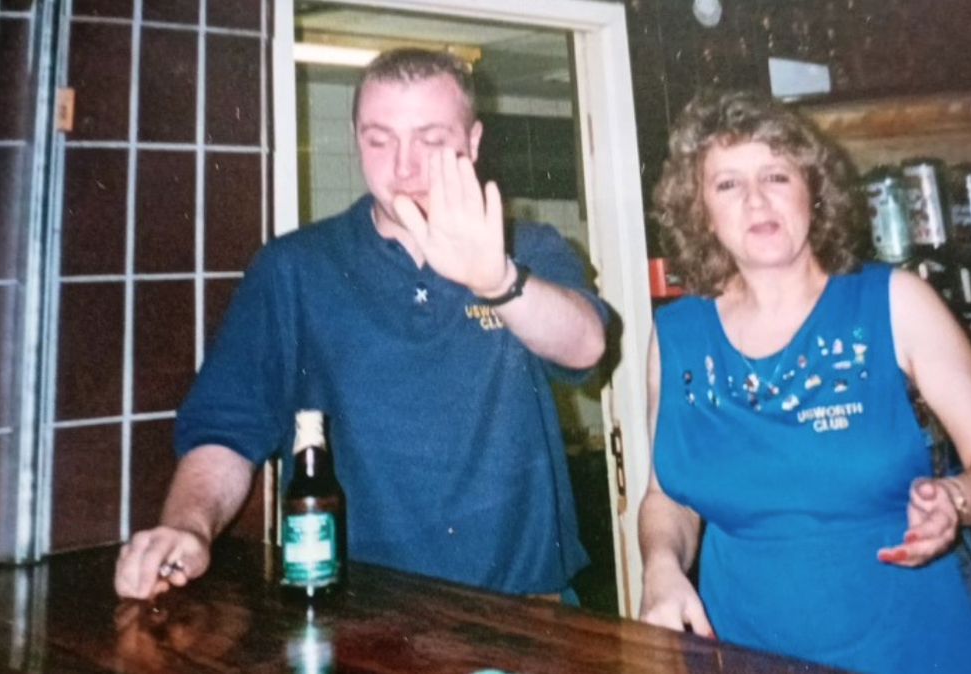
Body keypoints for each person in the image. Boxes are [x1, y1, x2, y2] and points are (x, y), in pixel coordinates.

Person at [114, 48, 607, 601]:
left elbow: (586, 344)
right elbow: (226, 432)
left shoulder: (528, 248)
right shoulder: (294, 269)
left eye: (431, 139)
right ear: (355, 139)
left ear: (472, 142)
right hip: (361, 614)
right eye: (379, 139)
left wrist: (498, 280)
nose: (403, 167)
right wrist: (188, 526)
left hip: (527, 610)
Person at [637, 89, 971, 674]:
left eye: (775, 175)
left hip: (913, 650)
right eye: (727, 184)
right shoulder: (676, 337)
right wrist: (660, 568)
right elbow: (667, 496)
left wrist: (955, 498)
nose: (755, 200)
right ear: (702, 214)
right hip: (745, 651)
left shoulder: (895, 302)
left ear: (813, 192)